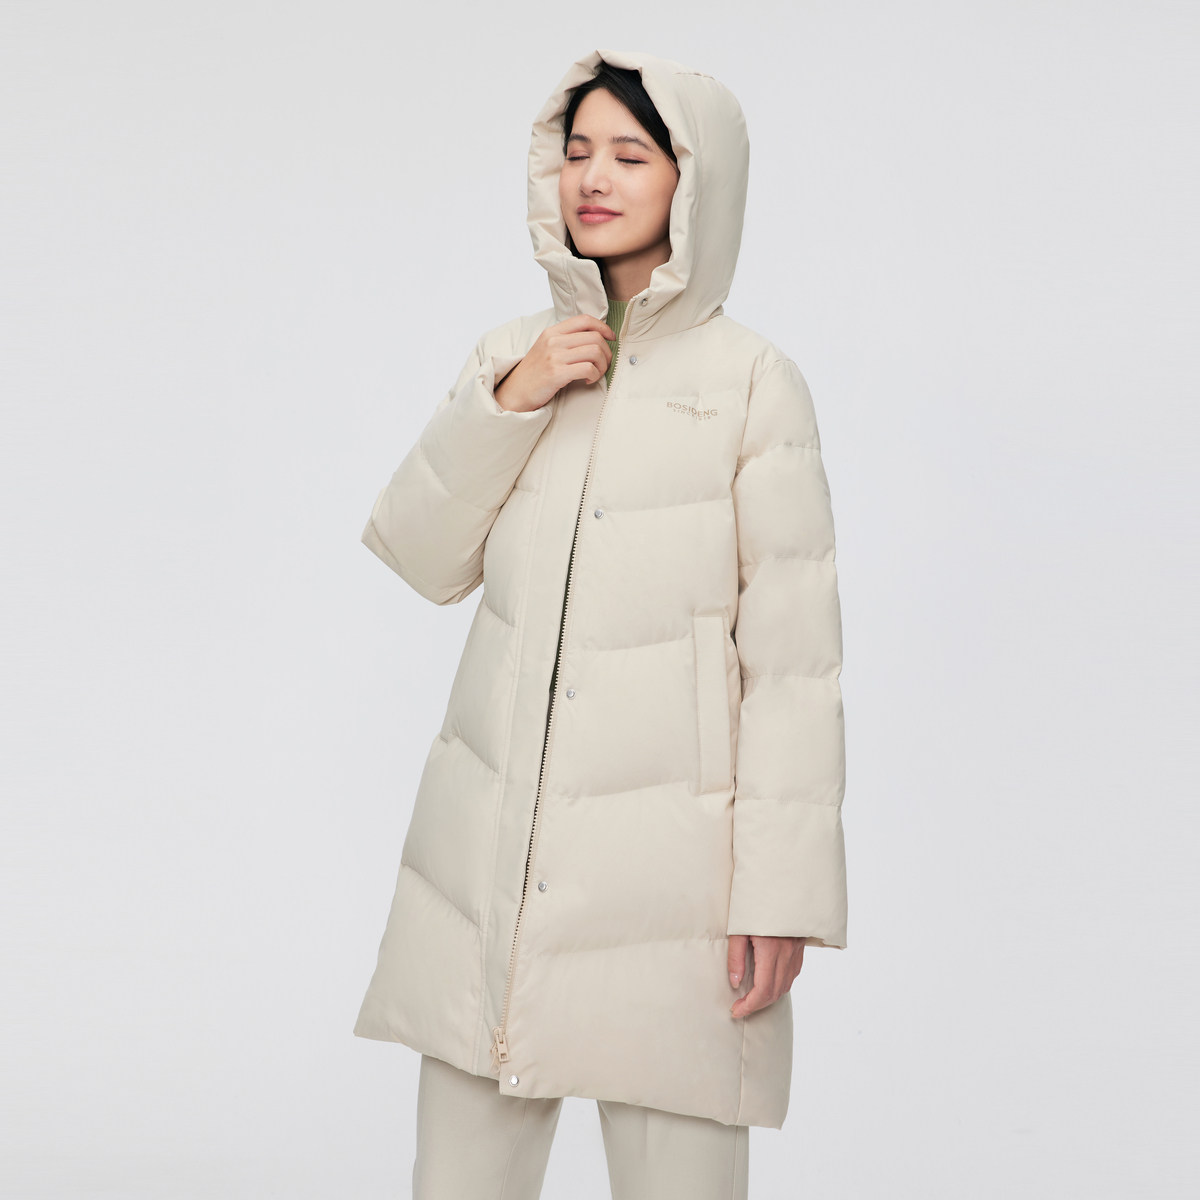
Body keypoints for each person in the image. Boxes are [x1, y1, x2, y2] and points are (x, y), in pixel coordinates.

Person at [352, 48, 848, 1200]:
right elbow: (420, 555)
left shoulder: (753, 383)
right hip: (493, 867)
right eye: (577, 152)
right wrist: (512, 400)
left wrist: (782, 896)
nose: (595, 178)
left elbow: (794, 665)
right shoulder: (511, 358)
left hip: (675, 884)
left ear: (694, 179)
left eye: (631, 154)